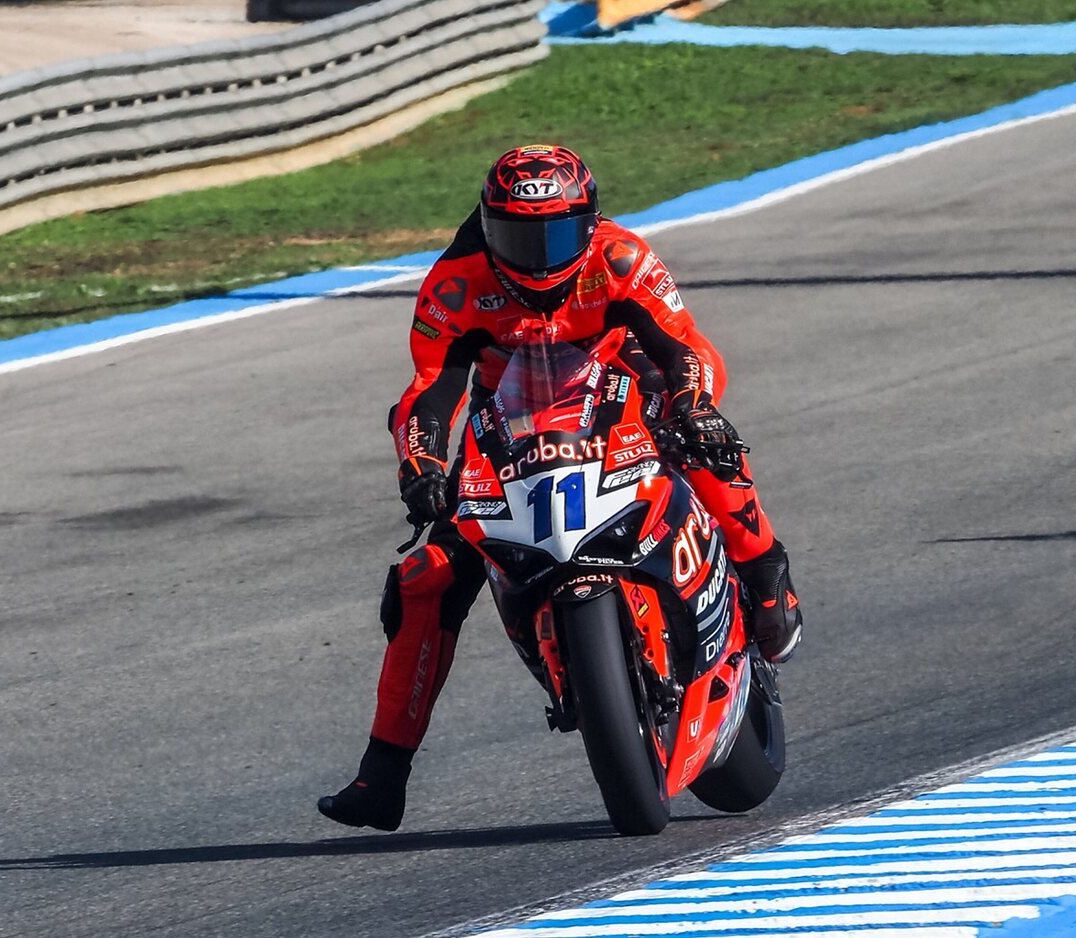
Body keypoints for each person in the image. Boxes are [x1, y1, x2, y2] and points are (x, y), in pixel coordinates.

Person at [317, 144, 803, 832]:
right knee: (425, 576)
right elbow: (431, 394)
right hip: (512, 426)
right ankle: (383, 773)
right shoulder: (454, 286)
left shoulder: (621, 259)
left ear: (590, 220)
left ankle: (765, 577)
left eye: (557, 234)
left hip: (626, 387)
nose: (540, 255)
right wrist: (421, 466)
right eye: (519, 235)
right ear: (488, 226)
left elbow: (683, 346)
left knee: (704, 442)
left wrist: (692, 404)